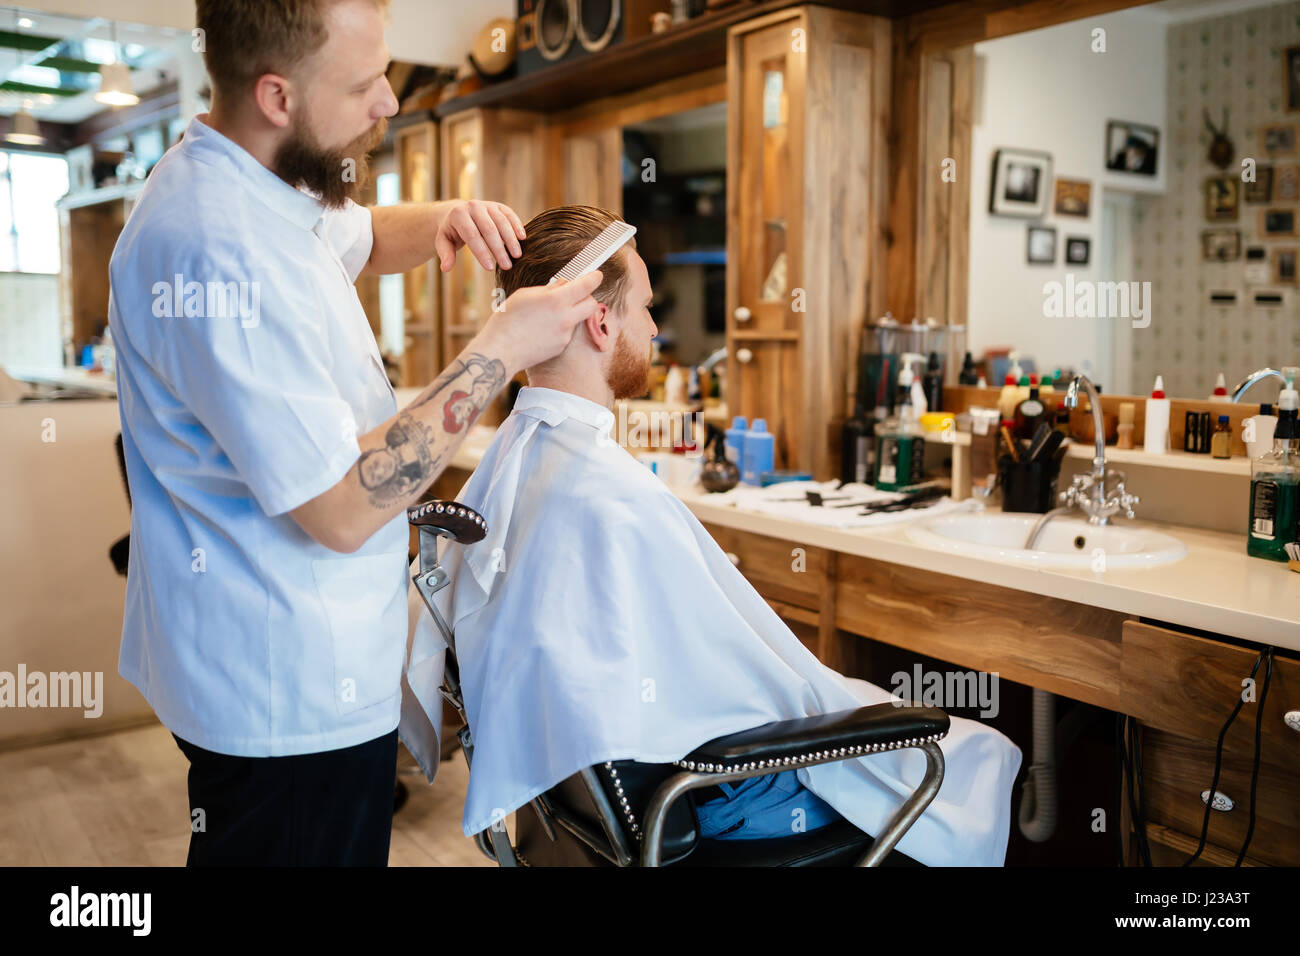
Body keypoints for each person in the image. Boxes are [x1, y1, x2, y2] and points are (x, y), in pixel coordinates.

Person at [107, 0, 603, 866]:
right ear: (276, 96)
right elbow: (340, 507)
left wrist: (448, 215)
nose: (390, 104)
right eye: (366, 83)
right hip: (285, 694)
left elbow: (362, 234)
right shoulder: (221, 250)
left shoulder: (244, 180)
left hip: (282, 664)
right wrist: (497, 351)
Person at [402, 205, 1023, 865]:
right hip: (713, 789)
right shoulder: (608, 493)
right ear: (601, 320)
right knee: (977, 749)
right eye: (643, 306)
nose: (655, 326)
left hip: (597, 803)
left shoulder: (514, 462)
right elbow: (757, 690)